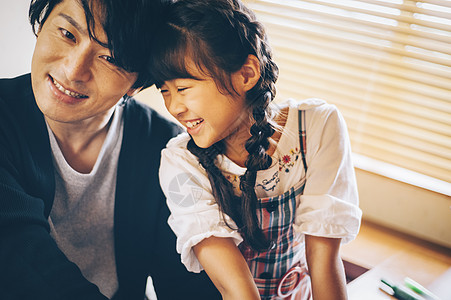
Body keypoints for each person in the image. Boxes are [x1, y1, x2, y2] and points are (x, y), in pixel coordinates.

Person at [0, 0, 221, 299]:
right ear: (42, 23)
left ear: (137, 82)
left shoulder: (169, 152)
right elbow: (18, 257)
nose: (73, 70)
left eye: (110, 58)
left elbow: (187, 282)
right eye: (67, 34)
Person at [149, 0, 363, 299]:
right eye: (164, 91)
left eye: (183, 88)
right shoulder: (180, 161)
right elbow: (236, 289)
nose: (173, 107)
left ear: (247, 74)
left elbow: (323, 260)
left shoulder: (316, 126)